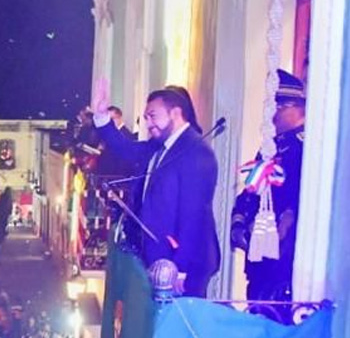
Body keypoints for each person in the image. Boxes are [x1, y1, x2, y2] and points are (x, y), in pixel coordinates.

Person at [90, 77, 220, 297]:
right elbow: (127, 150)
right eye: (146, 117)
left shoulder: (196, 152)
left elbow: (194, 214)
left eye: (153, 116)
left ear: (175, 113)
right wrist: (102, 117)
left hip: (180, 267)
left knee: (177, 328)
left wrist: (181, 268)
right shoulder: (160, 146)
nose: (148, 124)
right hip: (157, 259)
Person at [232, 69, 307, 302]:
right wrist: (239, 221)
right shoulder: (270, 148)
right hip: (259, 257)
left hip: (282, 259)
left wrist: (286, 222)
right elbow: (251, 191)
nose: (271, 116)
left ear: (294, 107)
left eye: (278, 108)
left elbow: (298, 201)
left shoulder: (304, 149)